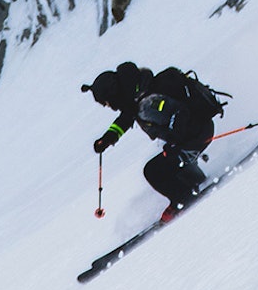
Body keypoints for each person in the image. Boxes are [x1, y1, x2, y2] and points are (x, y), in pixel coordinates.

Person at [83, 62, 219, 223]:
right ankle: (197, 181)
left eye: (105, 102)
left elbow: (180, 113)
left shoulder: (146, 103)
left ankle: (184, 199)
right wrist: (107, 139)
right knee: (169, 160)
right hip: (196, 133)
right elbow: (126, 118)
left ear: (113, 95)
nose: (108, 106)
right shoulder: (137, 95)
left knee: (154, 171)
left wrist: (174, 142)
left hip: (197, 134)